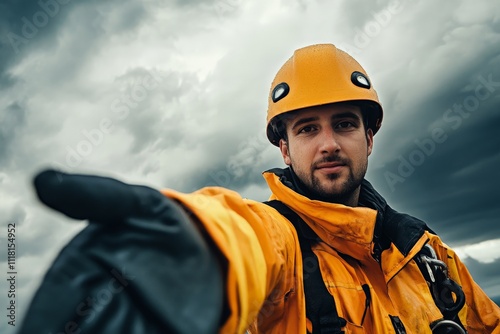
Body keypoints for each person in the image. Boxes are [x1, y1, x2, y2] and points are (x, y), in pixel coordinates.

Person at [20, 44, 500, 334]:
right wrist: (201, 250)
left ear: (369, 137)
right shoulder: (280, 242)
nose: (329, 143)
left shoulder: (428, 254)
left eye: (345, 124)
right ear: (285, 150)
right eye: (308, 129)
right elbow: (240, 234)